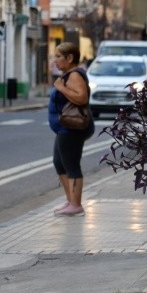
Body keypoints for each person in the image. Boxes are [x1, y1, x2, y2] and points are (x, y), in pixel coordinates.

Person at [49, 42, 95, 217]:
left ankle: (76, 205)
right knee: (59, 162)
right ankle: (71, 201)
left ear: (70, 58)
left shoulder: (74, 75)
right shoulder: (68, 75)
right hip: (64, 128)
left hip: (72, 128)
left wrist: (61, 88)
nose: (55, 61)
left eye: (59, 56)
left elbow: (81, 98)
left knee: (70, 164)